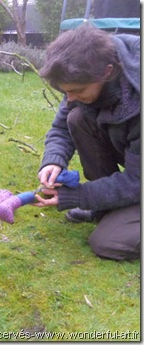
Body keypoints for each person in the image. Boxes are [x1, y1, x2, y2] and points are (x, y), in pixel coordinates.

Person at [32, 24, 140, 261]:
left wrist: (79, 196)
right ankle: (106, 207)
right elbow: (61, 127)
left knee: (109, 243)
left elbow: (137, 181)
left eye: (77, 90)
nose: (69, 98)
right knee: (77, 116)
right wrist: (54, 160)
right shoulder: (84, 75)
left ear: (107, 72)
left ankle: (115, 213)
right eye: (65, 91)